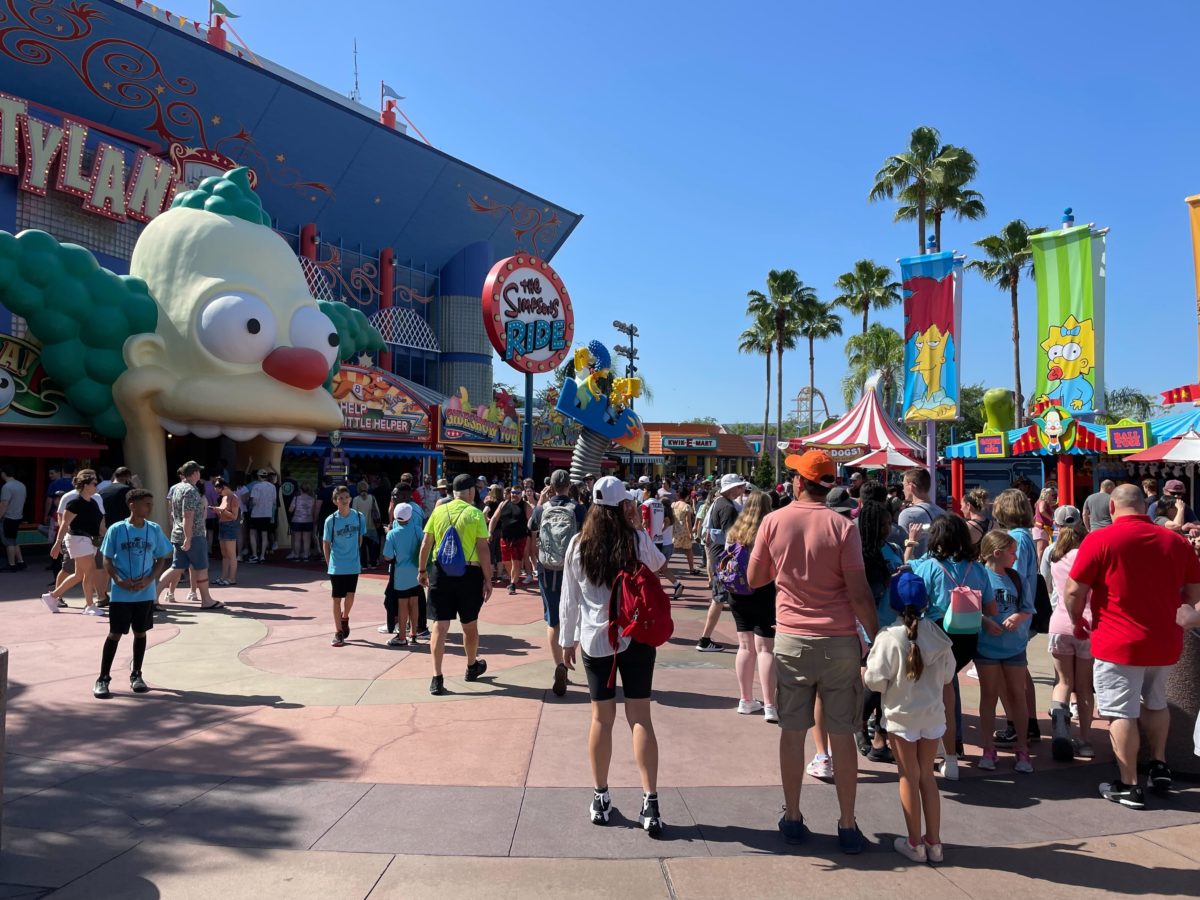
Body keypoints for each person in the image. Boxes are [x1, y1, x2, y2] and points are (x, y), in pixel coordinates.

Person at [747, 450, 878, 853]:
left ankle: (792, 817)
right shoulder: (843, 527)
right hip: (838, 641)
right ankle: (848, 824)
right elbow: (859, 592)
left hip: (791, 639)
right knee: (843, 733)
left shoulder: (774, 521)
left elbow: (754, 578)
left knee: (793, 732)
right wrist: (875, 637)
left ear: (800, 482)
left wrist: (786, 568)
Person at [1064, 484, 1200, 808]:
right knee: (1156, 702)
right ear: (1143, 506)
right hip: (1164, 640)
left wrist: (1077, 620)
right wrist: (1177, 608)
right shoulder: (1175, 540)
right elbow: (1195, 589)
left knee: (1119, 712)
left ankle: (1128, 785)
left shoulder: (1100, 539)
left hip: (1117, 641)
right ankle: (1159, 764)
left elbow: (1073, 590)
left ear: (1112, 507)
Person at [559, 475, 668, 835]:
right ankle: (650, 802)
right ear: (624, 505)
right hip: (635, 636)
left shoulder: (578, 543)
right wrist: (638, 526)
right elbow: (658, 564)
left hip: (596, 640)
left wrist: (567, 639)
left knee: (601, 719)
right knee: (640, 718)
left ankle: (600, 796)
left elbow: (570, 597)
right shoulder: (635, 539)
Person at [864, 570, 954, 864]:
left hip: (901, 718)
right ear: (926, 602)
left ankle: (914, 842)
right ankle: (934, 842)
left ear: (892, 603)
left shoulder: (888, 637)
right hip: (932, 716)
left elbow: (875, 681)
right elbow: (948, 675)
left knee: (908, 776)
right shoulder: (937, 635)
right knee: (927, 776)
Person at [907, 515, 995, 779]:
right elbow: (991, 608)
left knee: (934, 697)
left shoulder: (929, 567)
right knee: (949, 691)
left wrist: (910, 546)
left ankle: (938, 752)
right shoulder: (978, 569)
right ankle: (952, 753)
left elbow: (912, 596)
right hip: (967, 640)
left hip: (936, 637)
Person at [418, 473, 493, 696]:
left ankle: (437, 678)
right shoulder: (475, 513)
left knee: (440, 627)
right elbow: (483, 549)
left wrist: (422, 570)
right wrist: (488, 579)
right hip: (469, 573)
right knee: (469, 625)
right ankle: (471, 666)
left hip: (440, 572)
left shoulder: (439, 511)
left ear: (452, 492)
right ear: (470, 491)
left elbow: (426, 542)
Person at [94, 488, 173, 699]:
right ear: (132, 505)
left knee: (140, 632)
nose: (150, 508)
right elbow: (107, 558)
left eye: (151, 504)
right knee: (115, 633)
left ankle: (136, 674)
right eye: (146, 504)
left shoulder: (154, 529)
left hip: (145, 593)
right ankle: (103, 678)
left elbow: (162, 558)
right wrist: (118, 579)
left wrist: (150, 579)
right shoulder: (116, 529)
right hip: (121, 593)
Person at [975, 530, 1036, 774]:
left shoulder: (1016, 578)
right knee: (988, 695)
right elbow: (968, 606)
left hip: (1014, 647)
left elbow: (1027, 608)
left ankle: (1022, 747)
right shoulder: (979, 576)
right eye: (1012, 553)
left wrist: (1017, 617)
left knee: (1017, 695)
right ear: (997, 553)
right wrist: (984, 621)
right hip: (986, 647)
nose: (1016, 557)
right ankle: (988, 748)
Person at [990, 489, 1042, 746]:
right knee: (1020, 670)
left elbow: (1012, 575)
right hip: (1019, 612)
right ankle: (1028, 723)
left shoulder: (1016, 538)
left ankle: (1016, 722)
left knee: (1006, 673)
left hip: (1010, 613)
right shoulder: (1025, 535)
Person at [529, 469, 585, 697]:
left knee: (553, 620)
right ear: (569, 486)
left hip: (547, 570)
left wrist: (540, 502)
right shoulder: (578, 509)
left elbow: (531, 527)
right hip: (572, 568)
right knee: (576, 614)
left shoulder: (542, 509)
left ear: (550, 487)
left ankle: (559, 666)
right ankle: (568, 654)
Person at [1044, 515, 1095, 760]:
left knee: (1062, 682)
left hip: (1059, 623)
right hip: (1087, 624)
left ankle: (1061, 731)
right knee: (1084, 687)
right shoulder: (1088, 558)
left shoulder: (1055, 558)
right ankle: (1084, 740)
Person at [724, 489, 777, 722]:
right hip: (764, 590)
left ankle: (745, 700)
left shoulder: (735, 531)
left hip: (738, 592)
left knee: (745, 646)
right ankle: (770, 705)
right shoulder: (770, 531)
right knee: (765, 648)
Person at [857, 499, 903, 761]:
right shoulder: (862, 554)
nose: (889, 528)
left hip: (895, 624)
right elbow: (865, 593)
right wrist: (889, 579)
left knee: (889, 686)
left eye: (889, 522)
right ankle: (860, 724)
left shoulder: (892, 548)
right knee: (876, 683)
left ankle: (879, 738)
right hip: (872, 626)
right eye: (883, 524)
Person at [158, 462, 221, 610]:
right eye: (198, 471)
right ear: (194, 473)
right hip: (194, 534)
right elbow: (188, 515)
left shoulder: (177, 488)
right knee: (201, 567)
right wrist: (188, 537)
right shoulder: (191, 490)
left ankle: (153, 596)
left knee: (176, 567)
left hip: (178, 533)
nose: (200, 474)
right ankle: (206, 600)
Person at [43, 469, 107, 614]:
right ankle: (90, 605)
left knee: (79, 575)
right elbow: (64, 524)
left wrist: (108, 537)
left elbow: (100, 525)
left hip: (89, 540)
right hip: (78, 539)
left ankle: (52, 596)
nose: (96, 486)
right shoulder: (74, 503)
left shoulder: (93, 502)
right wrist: (57, 543)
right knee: (90, 571)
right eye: (94, 483)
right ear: (85, 485)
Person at [698, 474, 747, 652]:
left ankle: (707, 639)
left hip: (719, 557)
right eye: (739, 487)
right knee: (719, 599)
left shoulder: (719, 503)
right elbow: (730, 537)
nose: (741, 490)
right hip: (724, 560)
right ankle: (704, 639)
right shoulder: (728, 507)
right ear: (731, 488)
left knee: (722, 599)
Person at [322, 485, 365, 647]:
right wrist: (329, 563)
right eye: (341, 498)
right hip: (337, 565)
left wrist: (355, 554)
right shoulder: (331, 520)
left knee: (350, 595)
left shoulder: (359, 517)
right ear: (335, 501)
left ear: (350, 498)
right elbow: (326, 543)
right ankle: (338, 632)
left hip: (353, 564)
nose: (345, 500)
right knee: (336, 598)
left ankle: (345, 617)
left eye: (346, 497)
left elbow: (360, 538)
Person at [381, 502, 423, 647]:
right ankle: (414, 634)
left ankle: (402, 637)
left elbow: (387, 556)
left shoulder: (392, 534)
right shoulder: (418, 530)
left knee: (402, 605)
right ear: (410, 516)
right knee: (414, 603)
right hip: (416, 572)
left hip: (401, 574)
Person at [490, 486, 532, 593]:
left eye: (517, 493)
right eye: (513, 492)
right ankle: (513, 578)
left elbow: (531, 522)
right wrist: (489, 532)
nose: (514, 495)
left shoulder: (525, 506)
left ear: (521, 494)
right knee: (506, 561)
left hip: (519, 538)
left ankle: (513, 584)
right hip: (505, 537)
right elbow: (494, 518)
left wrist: (532, 536)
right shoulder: (503, 504)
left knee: (516, 561)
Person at [897, 469, 946, 558]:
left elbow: (902, 549)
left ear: (911, 487)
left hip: (916, 564)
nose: (903, 489)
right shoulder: (943, 513)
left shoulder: (908, 514)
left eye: (903, 485)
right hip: (939, 563)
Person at [212, 477, 241, 586]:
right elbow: (223, 513)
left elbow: (234, 516)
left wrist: (222, 511)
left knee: (231, 554)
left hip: (230, 526)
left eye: (220, 491)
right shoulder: (224, 498)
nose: (219, 494)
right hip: (222, 525)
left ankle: (232, 578)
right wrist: (217, 511)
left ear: (224, 487)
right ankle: (223, 577)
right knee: (224, 554)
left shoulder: (234, 498)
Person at [247, 469, 278, 562]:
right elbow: (274, 501)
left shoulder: (256, 486)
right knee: (264, 534)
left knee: (253, 533)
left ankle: (254, 554)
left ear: (258, 476)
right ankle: (262, 555)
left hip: (256, 513)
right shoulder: (272, 486)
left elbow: (254, 501)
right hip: (267, 513)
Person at [0, 465, 27, 572]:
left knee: (8, 542)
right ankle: (21, 562)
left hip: (8, 517)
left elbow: (4, 504)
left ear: (3, 473)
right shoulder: (21, 485)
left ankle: (11, 564)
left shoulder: (6, 487)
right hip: (18, 516)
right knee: (13, 540)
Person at [672, 488, 698, 575]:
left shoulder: (673, 505)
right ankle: (691, 569)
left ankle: (662, 567)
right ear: (687, 496)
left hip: (675, 530)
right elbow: (688, 521)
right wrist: (690, 533)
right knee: (689, 550)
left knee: (671, 549)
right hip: (684, 531)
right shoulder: (686, 506)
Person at [288, 484, 316, 561]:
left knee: (297, 539)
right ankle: (306, 555)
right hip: (308, 520)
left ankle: (296, 555)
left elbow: (290, 510)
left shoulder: (296, 498)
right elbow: (313, 510)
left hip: (297, 520)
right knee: (307, 539)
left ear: (300, 490)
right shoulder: (312, 499)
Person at [961, 488, 991, 554]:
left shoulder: (966, 526)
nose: (961, 509)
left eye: (961, 505)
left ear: (968, 505)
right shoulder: (995, 524)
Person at [1033, 486, 1057, 560]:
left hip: (1043, 529)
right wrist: (1051, 519)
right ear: (1047, 495)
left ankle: (1041, 565)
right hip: (1041, 528)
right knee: (1041, 550)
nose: (1054, 497)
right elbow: (1042, 510)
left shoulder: (1043, 503)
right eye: (1052, 495)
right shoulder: (1042, 502)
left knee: (1043, 549)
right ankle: (1040, 566)